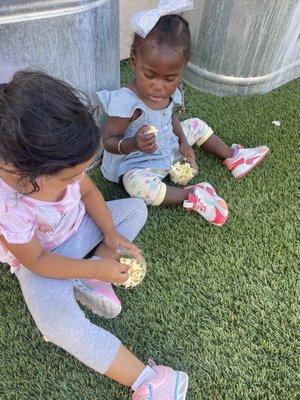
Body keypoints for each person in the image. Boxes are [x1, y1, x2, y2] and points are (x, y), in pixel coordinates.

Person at [0, 71, 189, 399]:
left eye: (80, 173)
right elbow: (38, 260)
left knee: (135, 209)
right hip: (41, 262)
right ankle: (149, 379)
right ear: (26, 175)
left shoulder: (62, 168)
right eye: (69, 177)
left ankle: (90, 272)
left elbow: (89, 196)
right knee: (57, 325)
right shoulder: (8, 206)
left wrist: (111, 235)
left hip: (78, 229)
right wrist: (95, 269)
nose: (78, 181)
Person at [98, 5, 269, 227]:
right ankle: (192, 194)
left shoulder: (170, 92)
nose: (159, 86)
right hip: (136, 162)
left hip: (167, 146)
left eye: (169, 78)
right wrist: (134, 143)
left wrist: (183, 143)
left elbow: (170, 118)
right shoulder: (125, 101)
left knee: (196, 124)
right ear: (133, 61)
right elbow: (109, 142)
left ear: (181, 70)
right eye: (149, 75)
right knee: (136, 187)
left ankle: (233, 157)